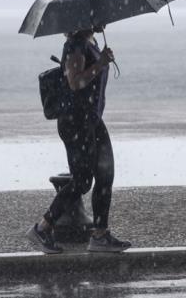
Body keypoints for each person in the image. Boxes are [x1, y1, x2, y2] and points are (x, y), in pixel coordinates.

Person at [26, 25, 131, 254]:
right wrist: (101, 63)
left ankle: (100, 235)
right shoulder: (75, 45)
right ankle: (42, 228)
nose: (105, 20)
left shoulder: (89, 42)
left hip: (90, 119)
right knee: (83, 180)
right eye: (98, 15)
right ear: (85, 19)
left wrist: (100, 60)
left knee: (105, 175)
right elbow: (75, 83)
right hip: (75, 121)